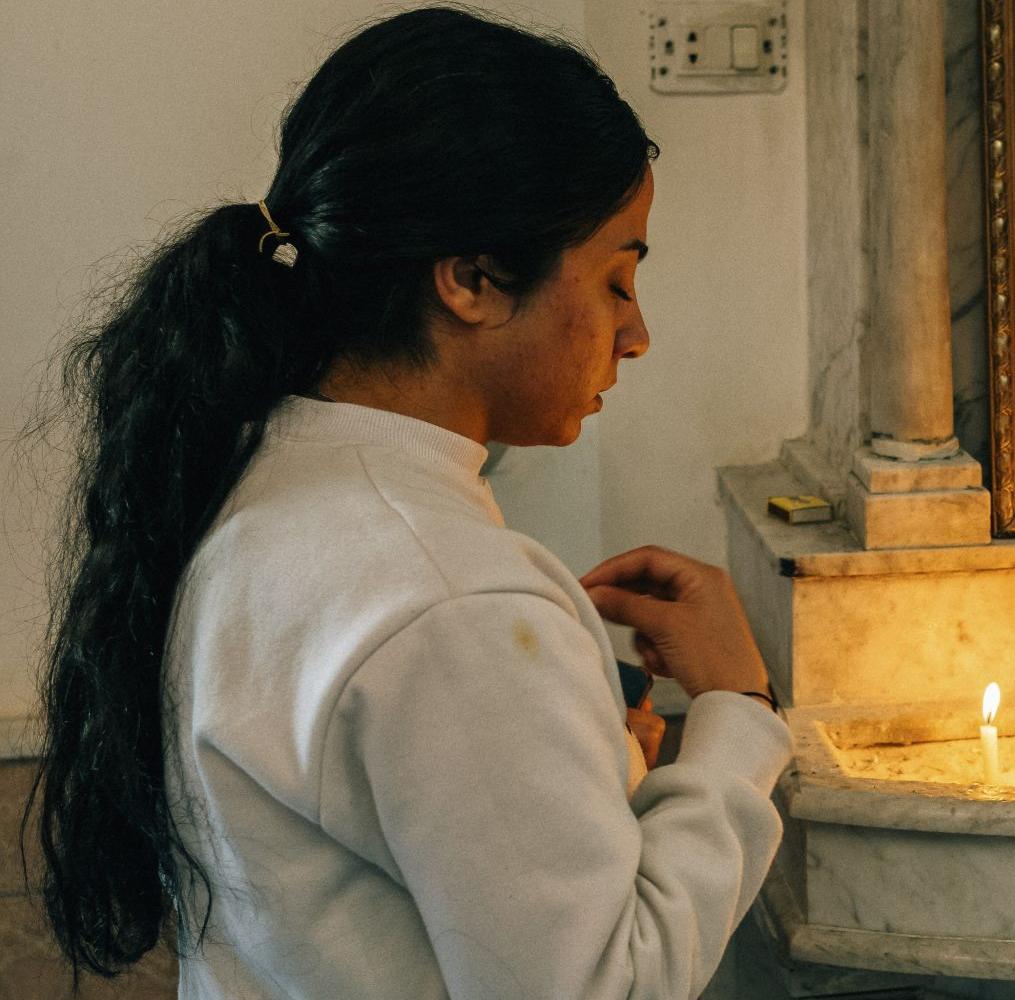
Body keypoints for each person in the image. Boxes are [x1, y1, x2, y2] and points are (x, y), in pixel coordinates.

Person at [25, 7, 789, 998]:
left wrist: (584, 768)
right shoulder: (452, 603)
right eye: (615, 280)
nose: (635, 334)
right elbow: (606, 985)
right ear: (470, 280)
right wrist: (736, 712)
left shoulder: (265, 473)